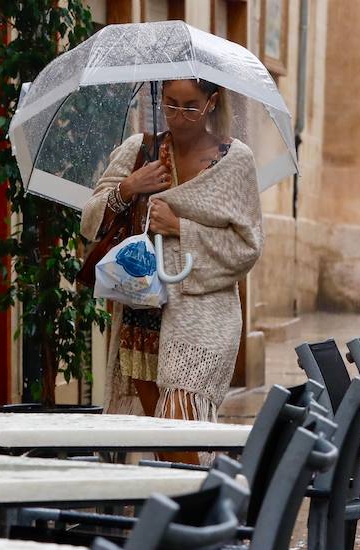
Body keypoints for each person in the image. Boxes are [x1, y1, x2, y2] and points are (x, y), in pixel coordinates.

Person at [82, 78, 263, 463]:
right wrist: (129, 188)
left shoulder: (235, 160)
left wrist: (181, 229)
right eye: (171, 105)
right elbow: (90, 222)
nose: (179, 117)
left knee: (183, 429)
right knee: (165, 444)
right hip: (142, 314)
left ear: (212, 102)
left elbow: (247, 247)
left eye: (190, 106)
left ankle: (204, 518)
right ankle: (183, 518)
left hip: (203, 317)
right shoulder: (140, 150)